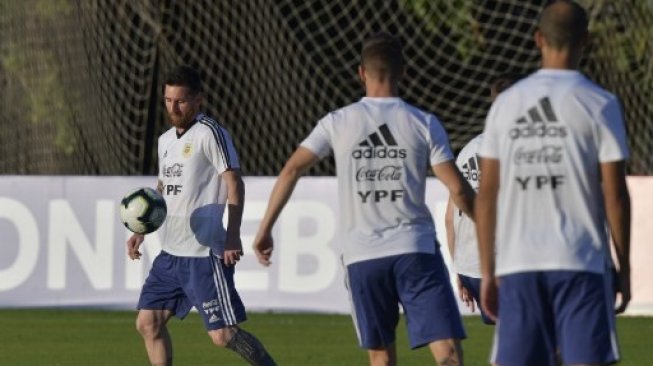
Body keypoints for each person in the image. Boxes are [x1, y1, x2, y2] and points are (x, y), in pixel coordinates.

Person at [252, 33, 475, 366]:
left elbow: (291, 170)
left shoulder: (338, 121)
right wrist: (486, 225)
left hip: (362, 257)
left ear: (361, 73)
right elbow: (457, 189)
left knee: (381, 358)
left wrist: (264, 229)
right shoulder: (423, 122)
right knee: (448, 354)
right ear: (403, 73)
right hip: (415, 251)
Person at [475, 1, 631, 365]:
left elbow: (486, 194)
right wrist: (623, 268)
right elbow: (615, 195)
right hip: (582, 263)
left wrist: (486, 271)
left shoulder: (507, 104)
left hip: (518, 264)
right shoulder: (601, 104)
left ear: (538, 39)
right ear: (585, 41)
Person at [125, 65, 276, 366]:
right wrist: (142, 228)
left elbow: (234, 183)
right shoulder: (165, 141)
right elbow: (163, 186)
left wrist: (232, 236)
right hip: (170, 255)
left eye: (180, 101)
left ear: (198, 100)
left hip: (204, 255)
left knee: (222, 335)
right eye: (168, 100)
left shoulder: (211, 134)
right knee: (147, 323)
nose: (173, 107)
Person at [444, 75, 517, 325]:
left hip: (469, 266)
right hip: (503, 266)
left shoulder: (468, 150)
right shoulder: (518, 149)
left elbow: (449, 218)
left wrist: (460, 272)